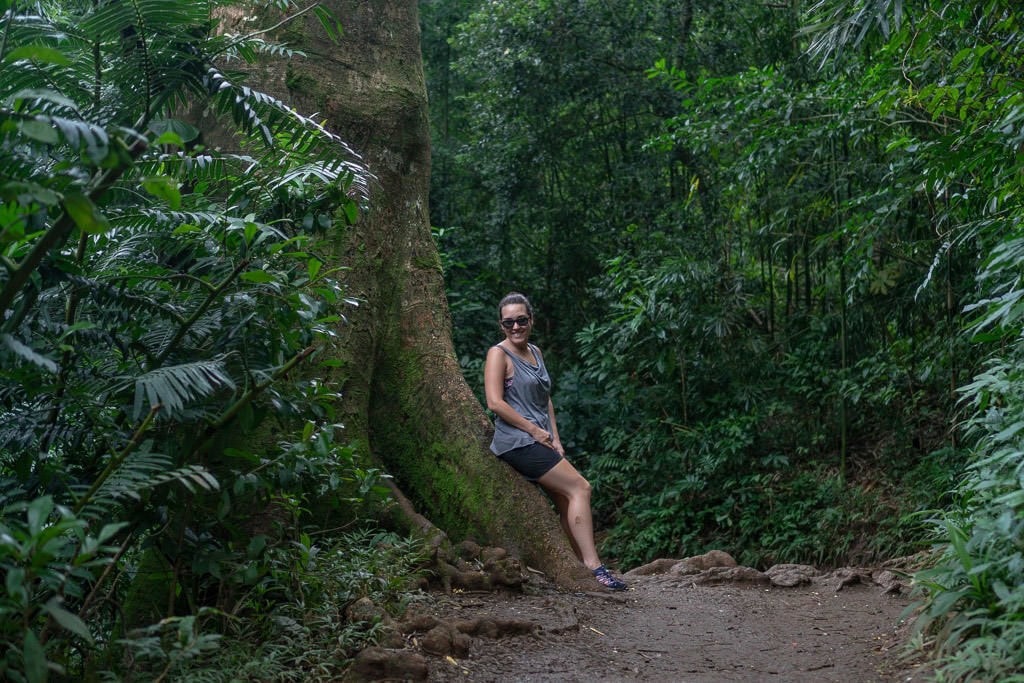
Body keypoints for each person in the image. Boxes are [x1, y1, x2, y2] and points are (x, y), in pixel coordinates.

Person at [484, 292, 627, 591]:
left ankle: (578, 565)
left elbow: (544, 400)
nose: (515, 327)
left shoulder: (535, 352)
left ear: (531, 320)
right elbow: (495, 403)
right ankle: (594, 566)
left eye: (521, 320)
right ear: (501, 325)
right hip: (516, 442)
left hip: (540, 440)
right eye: (508, 322)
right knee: (580, 487)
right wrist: (534, 431)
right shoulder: (499, 354)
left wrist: (555, 439)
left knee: (565, 498)